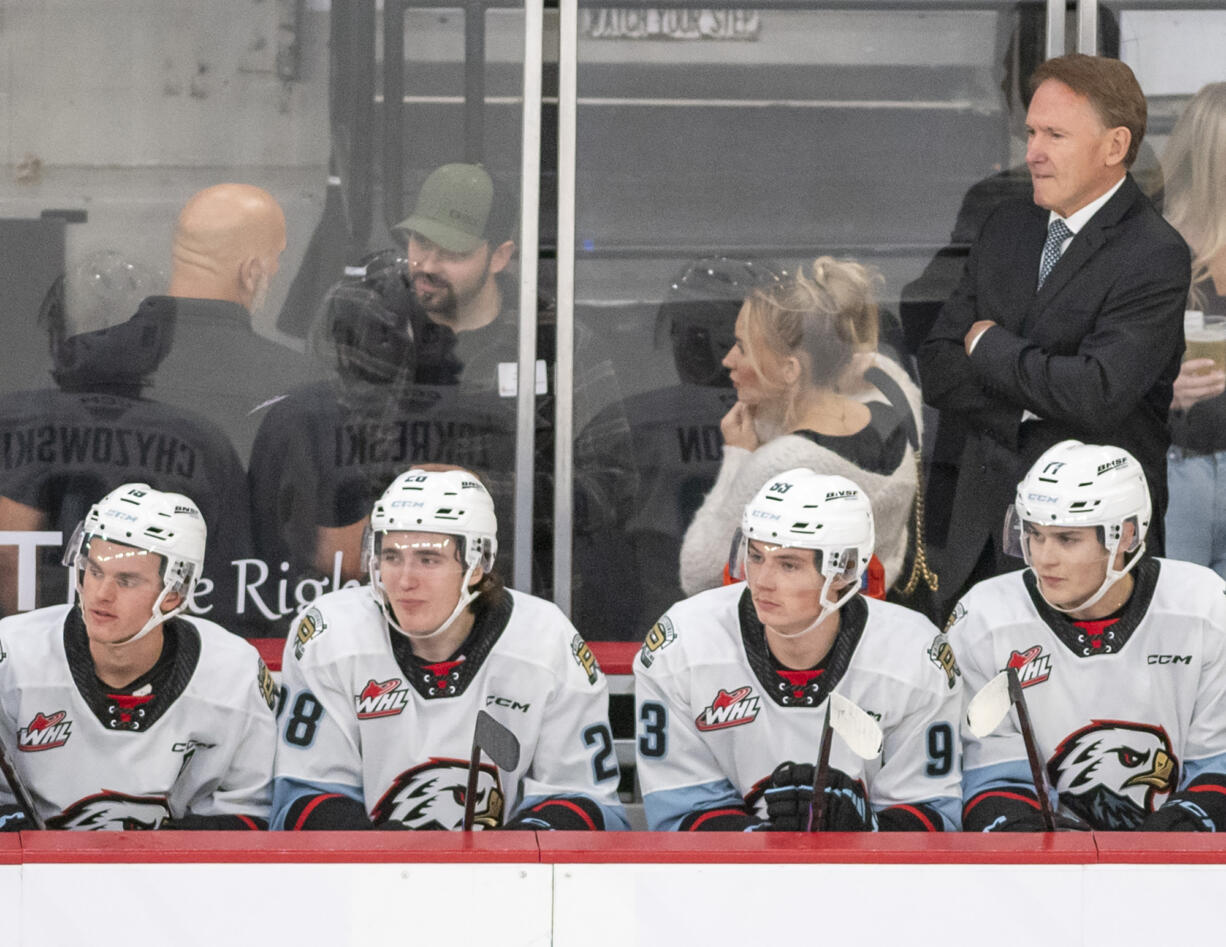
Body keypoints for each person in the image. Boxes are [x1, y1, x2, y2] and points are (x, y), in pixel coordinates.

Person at [917, 53, 1191, 616]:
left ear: (1115, 147)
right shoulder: (1006, 226)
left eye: (1055, 135)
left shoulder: (1154, 252)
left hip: (1092, 551)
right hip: (981, 539)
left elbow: (1095, 393)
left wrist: (990, 346)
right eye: (1032, 133)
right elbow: (939, 362)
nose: (1033, 153)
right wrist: (1022, 413)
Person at [271, 466, 629, 831]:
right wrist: (395, 859)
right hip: (365, 880)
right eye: (392, 556)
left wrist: (505, 860)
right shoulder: (332, 633)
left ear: (477, 565)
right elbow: (304, 799)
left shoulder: (545, 639)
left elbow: (584, 802)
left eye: (428, 559)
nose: (405, 579)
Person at [635, 468, 961, 832]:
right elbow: (678, 811)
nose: (762, 581)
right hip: (727, 883)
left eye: (788, 564)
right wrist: (770, 846)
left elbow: (934, 817)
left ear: (844, 571)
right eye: (756, 557)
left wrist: (862, 830)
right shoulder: (684, 642)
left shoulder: (913, 652)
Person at [953, 441, 1226, 832]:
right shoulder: (985, 618)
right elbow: (991, 777)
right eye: (1034, 534)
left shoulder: (1204, 608)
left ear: (1125, 536)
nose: (1043, 558)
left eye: (1067, 539)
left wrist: (1173, 838)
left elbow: (1216, 766)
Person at [397, 162, 636, 593]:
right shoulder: (379, 330)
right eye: (420, 242)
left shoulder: (557, 343)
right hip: (397, 597)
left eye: (451, 252)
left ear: (500, 256)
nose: (427, 264)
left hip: (523, 601)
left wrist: (480, 494)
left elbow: (612, 487)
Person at [0, 263, 259, 637]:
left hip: (33, 650)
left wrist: (28, 651)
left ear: (57, 332)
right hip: (153, 660)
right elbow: (230, 581)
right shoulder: (202, 440)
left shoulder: (12, 420)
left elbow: (10, 555)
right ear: (158, 340)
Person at [0, 483, 276, 830]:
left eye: (126, 581)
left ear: (174, 594)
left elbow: (249, 818)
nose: (100, 594)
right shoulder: (11, 657)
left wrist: (145, 861)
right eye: (95, 570)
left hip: (176, 883)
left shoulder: (234, 674)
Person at [678, 256, 921, 598]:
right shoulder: (893, 398)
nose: (727, 360)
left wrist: (738, 455)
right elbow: (868, 363)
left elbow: (700, 575)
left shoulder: (780, 464)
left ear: (790, 370)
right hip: (875, 613)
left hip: (799, 636)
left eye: (743, 347)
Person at [145, 183, 325, 463]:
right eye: (276, 257)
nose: (276, 269)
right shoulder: (304, 387)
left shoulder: (85, 364)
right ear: (251, 272)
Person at [1159, 83, 1226, 579]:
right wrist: (1164, 388)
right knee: (1175, 632)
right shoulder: (1154, 246)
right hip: (1176, 466)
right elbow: (1100, 367)